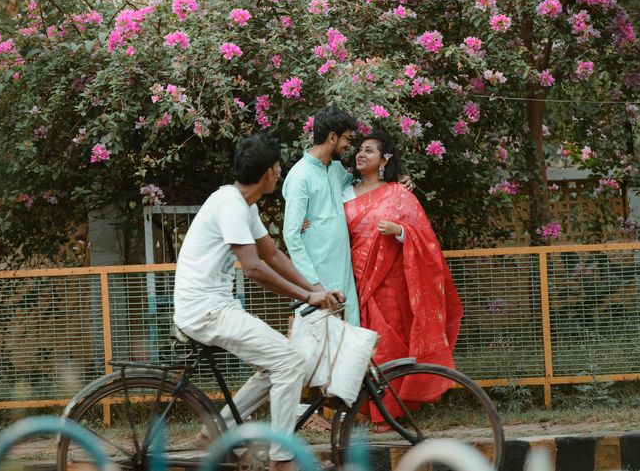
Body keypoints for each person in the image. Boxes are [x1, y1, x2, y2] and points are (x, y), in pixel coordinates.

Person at [172, 133, 343, 471]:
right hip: (206, 311)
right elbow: (253, 268)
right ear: (268, 172)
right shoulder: (232, 205)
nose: (280, 172)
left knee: (276, 362)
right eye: (278, 166)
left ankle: (218, 431)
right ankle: (282, 459)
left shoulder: (241, 204)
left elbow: (273, 255)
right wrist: (308, 296)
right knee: (291, 361)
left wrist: (315, 290)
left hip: (214, 307)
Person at [343, 130, 463, 424]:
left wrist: (399, 232)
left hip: (391, 286)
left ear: (384, 160)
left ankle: (392, 411)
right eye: (359, 149)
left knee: (390, 345)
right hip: (355, 280)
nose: (361, 154)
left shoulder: (399, 193)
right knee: (365, 344)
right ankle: (368, 409)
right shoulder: (343, 191)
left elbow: (424, 238)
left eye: (369, 151)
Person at [282, 106, 362, 325]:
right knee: (318, 348)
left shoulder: (335, 170)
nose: (348, 145)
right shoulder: (300, 176)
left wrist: (399, 179)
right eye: (346, 138)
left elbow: (360, 185)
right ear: (332, 137)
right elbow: (291, 235)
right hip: (318, 281)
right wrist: (313, 284)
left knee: (348, 346)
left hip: (343, 275)